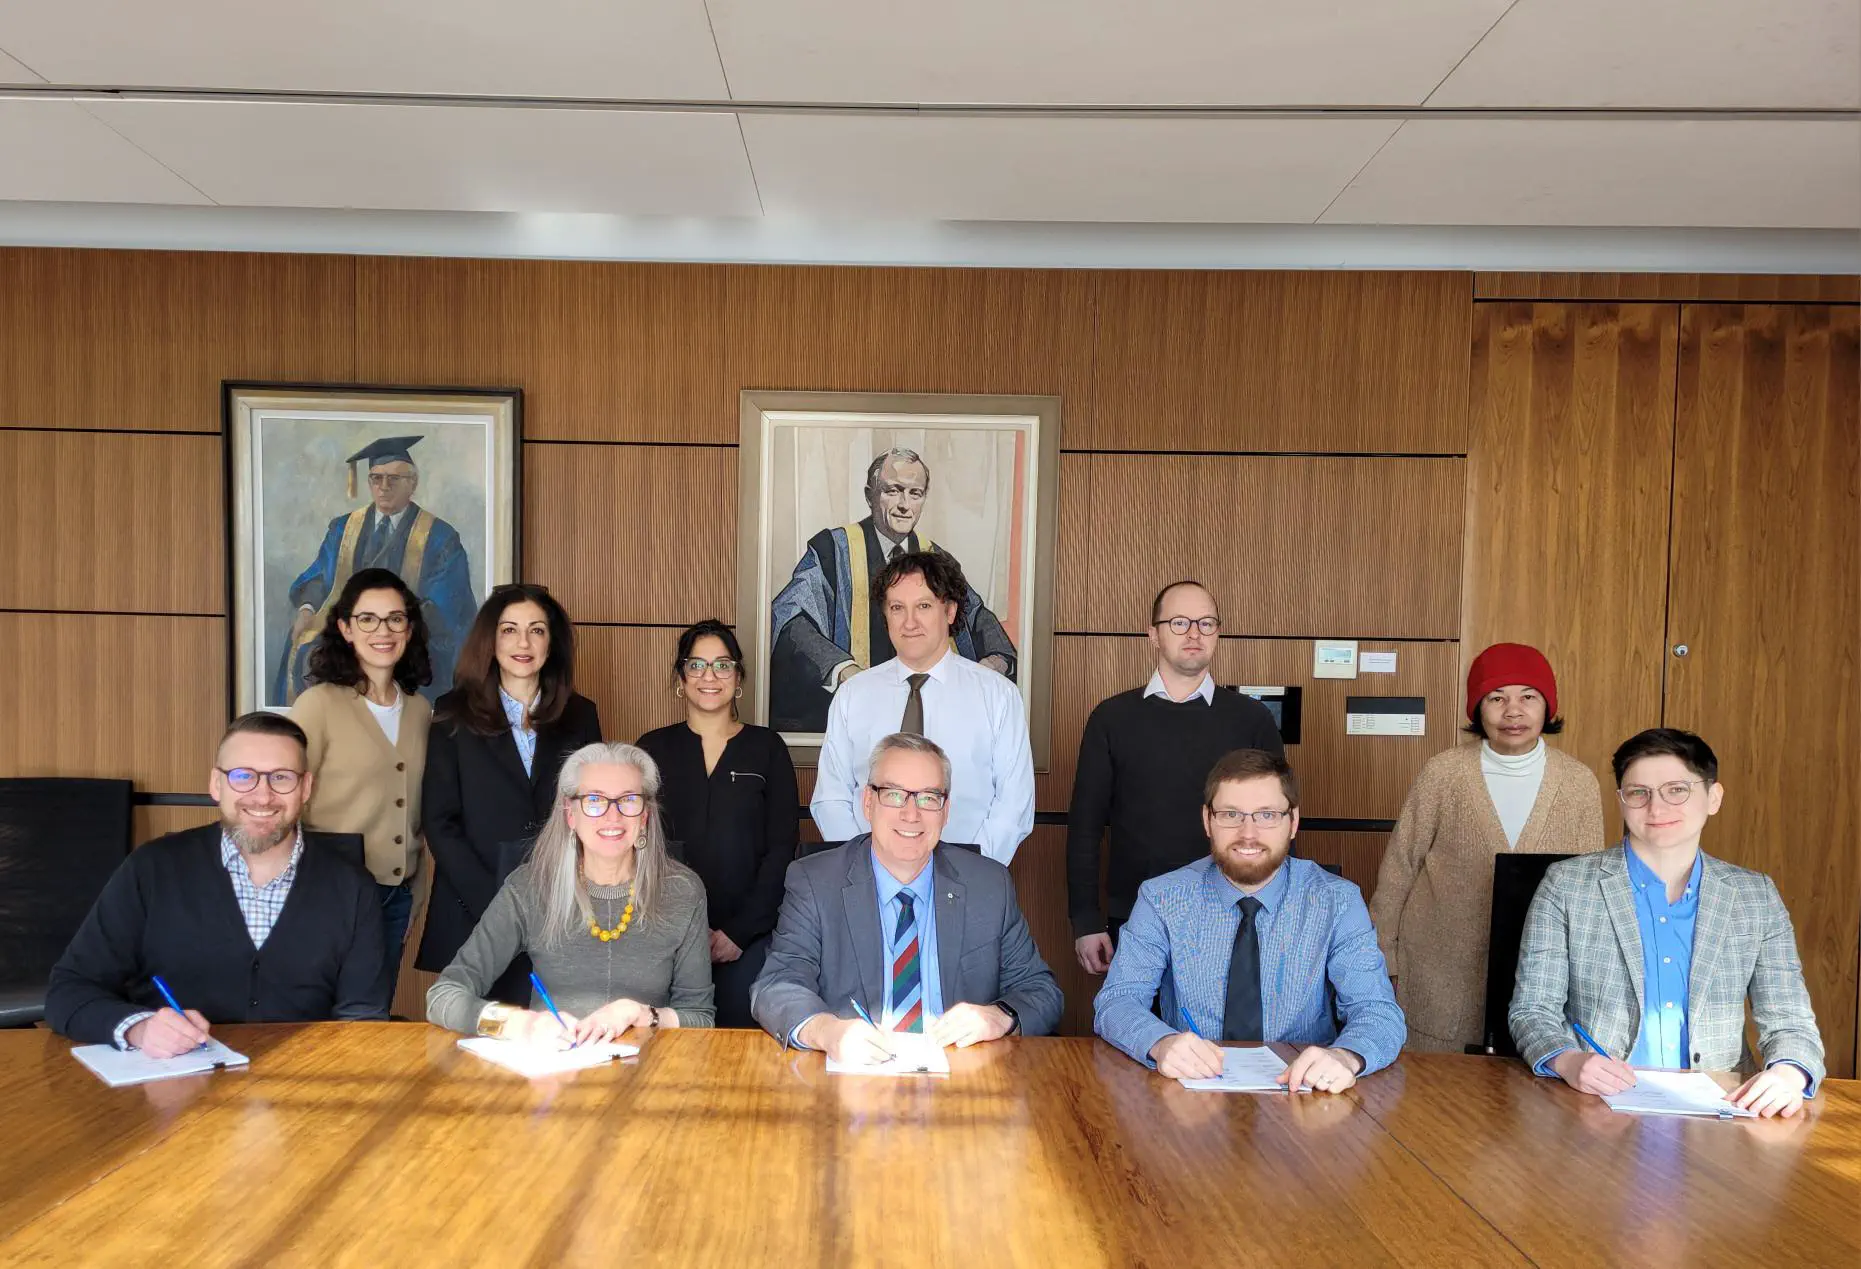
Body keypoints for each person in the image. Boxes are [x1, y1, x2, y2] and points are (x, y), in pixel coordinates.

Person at [1509, 728, 1823, 1118]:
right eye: (1638, 793)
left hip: (1721, 1111)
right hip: (1595, 1108)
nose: (1656, 809)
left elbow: (1790, 1021)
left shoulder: (1755, 896)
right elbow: (1532, 1010)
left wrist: (1789, 1073)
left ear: (1713, 797)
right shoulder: (1567, 885)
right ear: (1621, 802)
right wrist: (1566, 1060)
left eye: (1677, 790)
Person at [46, 713, 386, 1054]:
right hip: (170, 1089)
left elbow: (362, 1017)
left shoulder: (353, 887)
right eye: (243, 776)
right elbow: (69, 989)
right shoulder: (151, 869)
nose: (262, 796)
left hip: (304, 1087)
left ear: (306, 788)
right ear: (216, 784)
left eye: (281, 778)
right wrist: (140, 1028)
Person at [1094, 749, 1405, 1094]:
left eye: (1267, 815)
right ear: (1207, 820)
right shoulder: (1161, 898)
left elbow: (1376, 1011)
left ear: (1293, 822)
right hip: (1190, 1097)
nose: (1248, 833)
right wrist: (1160, 1042)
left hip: (1305, 1097)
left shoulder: (1338, 901)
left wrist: (1346, 1057)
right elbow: (1117, 1001)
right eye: (1230, 814)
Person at [752, 733, 1062, 1064]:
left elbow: (1041, 992)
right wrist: (827, 1031)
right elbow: (776, 986)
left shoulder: (989, 885)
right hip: (853, 1077)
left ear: (946, 811)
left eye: (929, 798)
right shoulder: (815, 882)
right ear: (868, 802)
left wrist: (999, 1016)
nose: (911, 814)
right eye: (895, 795)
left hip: (962, 1080)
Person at [1369, 643, 1606, 1052]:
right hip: (1438, 972)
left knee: (1529, 1098)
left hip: (1539, 974)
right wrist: (1383, 958)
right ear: (1477, 709)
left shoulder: (1578, 783)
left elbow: (1590, 892)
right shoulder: (1443, 773)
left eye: (1528, 697)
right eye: (1497, 698)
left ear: (1547, 707)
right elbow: (1399, 869)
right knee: (1435, 1099)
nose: (1513, 712)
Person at [427, 742, 715, 1042]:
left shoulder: (683, 890)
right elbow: (443, 997)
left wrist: (641, 1014)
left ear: (644, 815)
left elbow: (701, 1017)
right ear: (570, 814)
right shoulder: (529, 887)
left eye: (628, 800)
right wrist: (520, 1025)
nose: (612, 817)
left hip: (649, 1074)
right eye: (594, 800)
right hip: (552, 1072)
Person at [1068, 580, 1283, 976]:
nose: (1194, 634)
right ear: (1153, 634)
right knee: (1136, 1034)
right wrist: (1086, 920)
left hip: (1233, 912)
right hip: (1133, 916)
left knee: (1225, 1038)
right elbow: (1085, 826)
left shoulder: (1252, 719)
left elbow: (1276, 824)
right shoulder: (1112, 718)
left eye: (1206, 623)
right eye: (1180, 622)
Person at [415, 583, 602, 1003]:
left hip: (558, 907)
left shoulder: (580, 714)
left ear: (551, 643)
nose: (523, 642)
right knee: (472, 1047)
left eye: (536, 630)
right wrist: (498, 905)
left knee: (554, 1043)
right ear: (489, 640)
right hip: (472, 905)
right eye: (509, 630)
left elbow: (590, 809)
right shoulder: (451, 711)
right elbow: (441, 821)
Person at [770, 447, 1019, 732]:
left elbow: (975, 616)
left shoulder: (937, 558)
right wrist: (843, 671)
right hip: (855, 716)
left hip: (928, 721)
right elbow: (791, 619)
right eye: (893, 490)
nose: (904, 504)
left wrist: (996, 661)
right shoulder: (832, 551)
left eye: (915, 493)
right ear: (869, 495)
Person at [812, 551, 1034, 863]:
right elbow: (831, 797)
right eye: (897, 608)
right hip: (868, 880)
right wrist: (863, 868)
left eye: (924, 606)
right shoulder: (853, 695)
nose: (910, 622)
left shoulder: (998, 695)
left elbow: (1014, 805)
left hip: (969, 878)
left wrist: (973, 871)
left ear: (951, 611)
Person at [638, 620, 799, 1028]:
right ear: (681, 678)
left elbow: (782, 849)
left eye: (722, 665)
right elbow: (634, 847)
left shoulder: (767, 748)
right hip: (663, 937)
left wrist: (739, 933)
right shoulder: (651, 748)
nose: (710, 676)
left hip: (750, 939)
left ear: (738, 677)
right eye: (697, 665)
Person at [291, 567, 434, 1010]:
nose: (383, 631)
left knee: (369, 1018)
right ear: (345, 628)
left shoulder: (421, 711)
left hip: (395, 896)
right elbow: (285, 800)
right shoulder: (318, 705)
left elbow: (419, 811)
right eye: (368, 619)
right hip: (326, 894)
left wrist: (417, 894)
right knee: (311, 1024)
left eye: (395, 619)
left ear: (409, 629)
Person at [275, 434, 477, 704]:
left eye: (394, 479)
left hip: (410, 631)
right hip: (348, 630)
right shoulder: (343, 528)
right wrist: (307, 608)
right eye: (376, 478)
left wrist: (393, 624)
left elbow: (447, 604)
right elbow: (321, 574)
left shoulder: (439, 537)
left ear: (413, 483)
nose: (384, 487)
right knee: (306, 647)